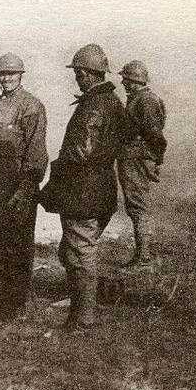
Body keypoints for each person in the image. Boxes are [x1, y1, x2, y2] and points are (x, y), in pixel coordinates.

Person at [40, 44, 125, 331]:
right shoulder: (113, 102)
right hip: (102, 189)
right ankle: (81, 307)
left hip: (83, 192)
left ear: (85, 73)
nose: (77, 78)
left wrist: (55, 175)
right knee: (72, 251)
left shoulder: (93, 106)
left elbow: (80, 152)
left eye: (78, 73)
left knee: (79, 254)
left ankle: (83, 319)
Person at [0, 52, 48, 318]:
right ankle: (1, 292)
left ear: (20, 75)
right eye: (2, 74)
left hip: (17, 185)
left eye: (11, 74)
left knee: (18, 242)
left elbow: (36, 152)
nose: (6, 79)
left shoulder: (31, 106)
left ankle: (17, 300)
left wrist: (26, 189)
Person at [116, 60, 166, 268]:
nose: (123, 83)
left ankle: (144, 257)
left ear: (133, 80)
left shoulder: (145, 100)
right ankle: (142, 254)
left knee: (137, 206)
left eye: (125, 79)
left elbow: (154, 134)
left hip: (135, 157)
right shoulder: (140, 98)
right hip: (133, 156)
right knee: (135, 205)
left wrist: (155, 157)